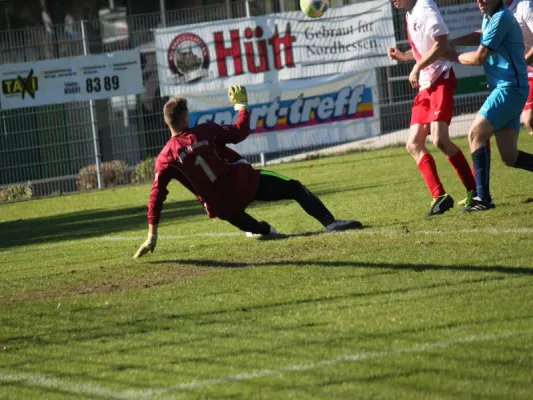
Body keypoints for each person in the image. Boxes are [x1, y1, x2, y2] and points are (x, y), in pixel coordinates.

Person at [133, 85, 363, 258]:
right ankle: (331, 223)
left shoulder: (165, 157)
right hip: (244, 184)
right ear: (185, 118)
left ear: (167, 122)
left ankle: (261, 229)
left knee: (261, 231)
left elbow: (156, 196)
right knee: (295, 187)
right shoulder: (204, 131)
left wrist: (152, 235)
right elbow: (240, 132)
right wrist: (241, 105)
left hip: (222, 207)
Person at [388, 0, 477, 216]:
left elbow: (442, 43)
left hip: (440, 79)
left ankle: (475, 191)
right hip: (425, 86)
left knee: (439, 139)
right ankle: (440, 196)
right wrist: (405, 56)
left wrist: (418, 66)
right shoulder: (410, 13)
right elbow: (425, 47)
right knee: (413, 144)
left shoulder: (425, 7)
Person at [447, 0, 533, 211]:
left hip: (509, 88)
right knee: (509, 156)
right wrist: (455, 41)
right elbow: (480, 34)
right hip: (510, 87)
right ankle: (482, 198)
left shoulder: (501, 17)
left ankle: (483, 199)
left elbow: (479, 58)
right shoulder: (491, 16)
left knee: (476, 134)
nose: (480, 1)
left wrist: (450, 55)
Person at [506, 0, 533, 134]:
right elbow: (485, 34)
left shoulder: (525, 5)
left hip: (528, 69)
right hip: (520, 74)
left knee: (529, 118)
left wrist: (524, 62)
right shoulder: (497, 11)